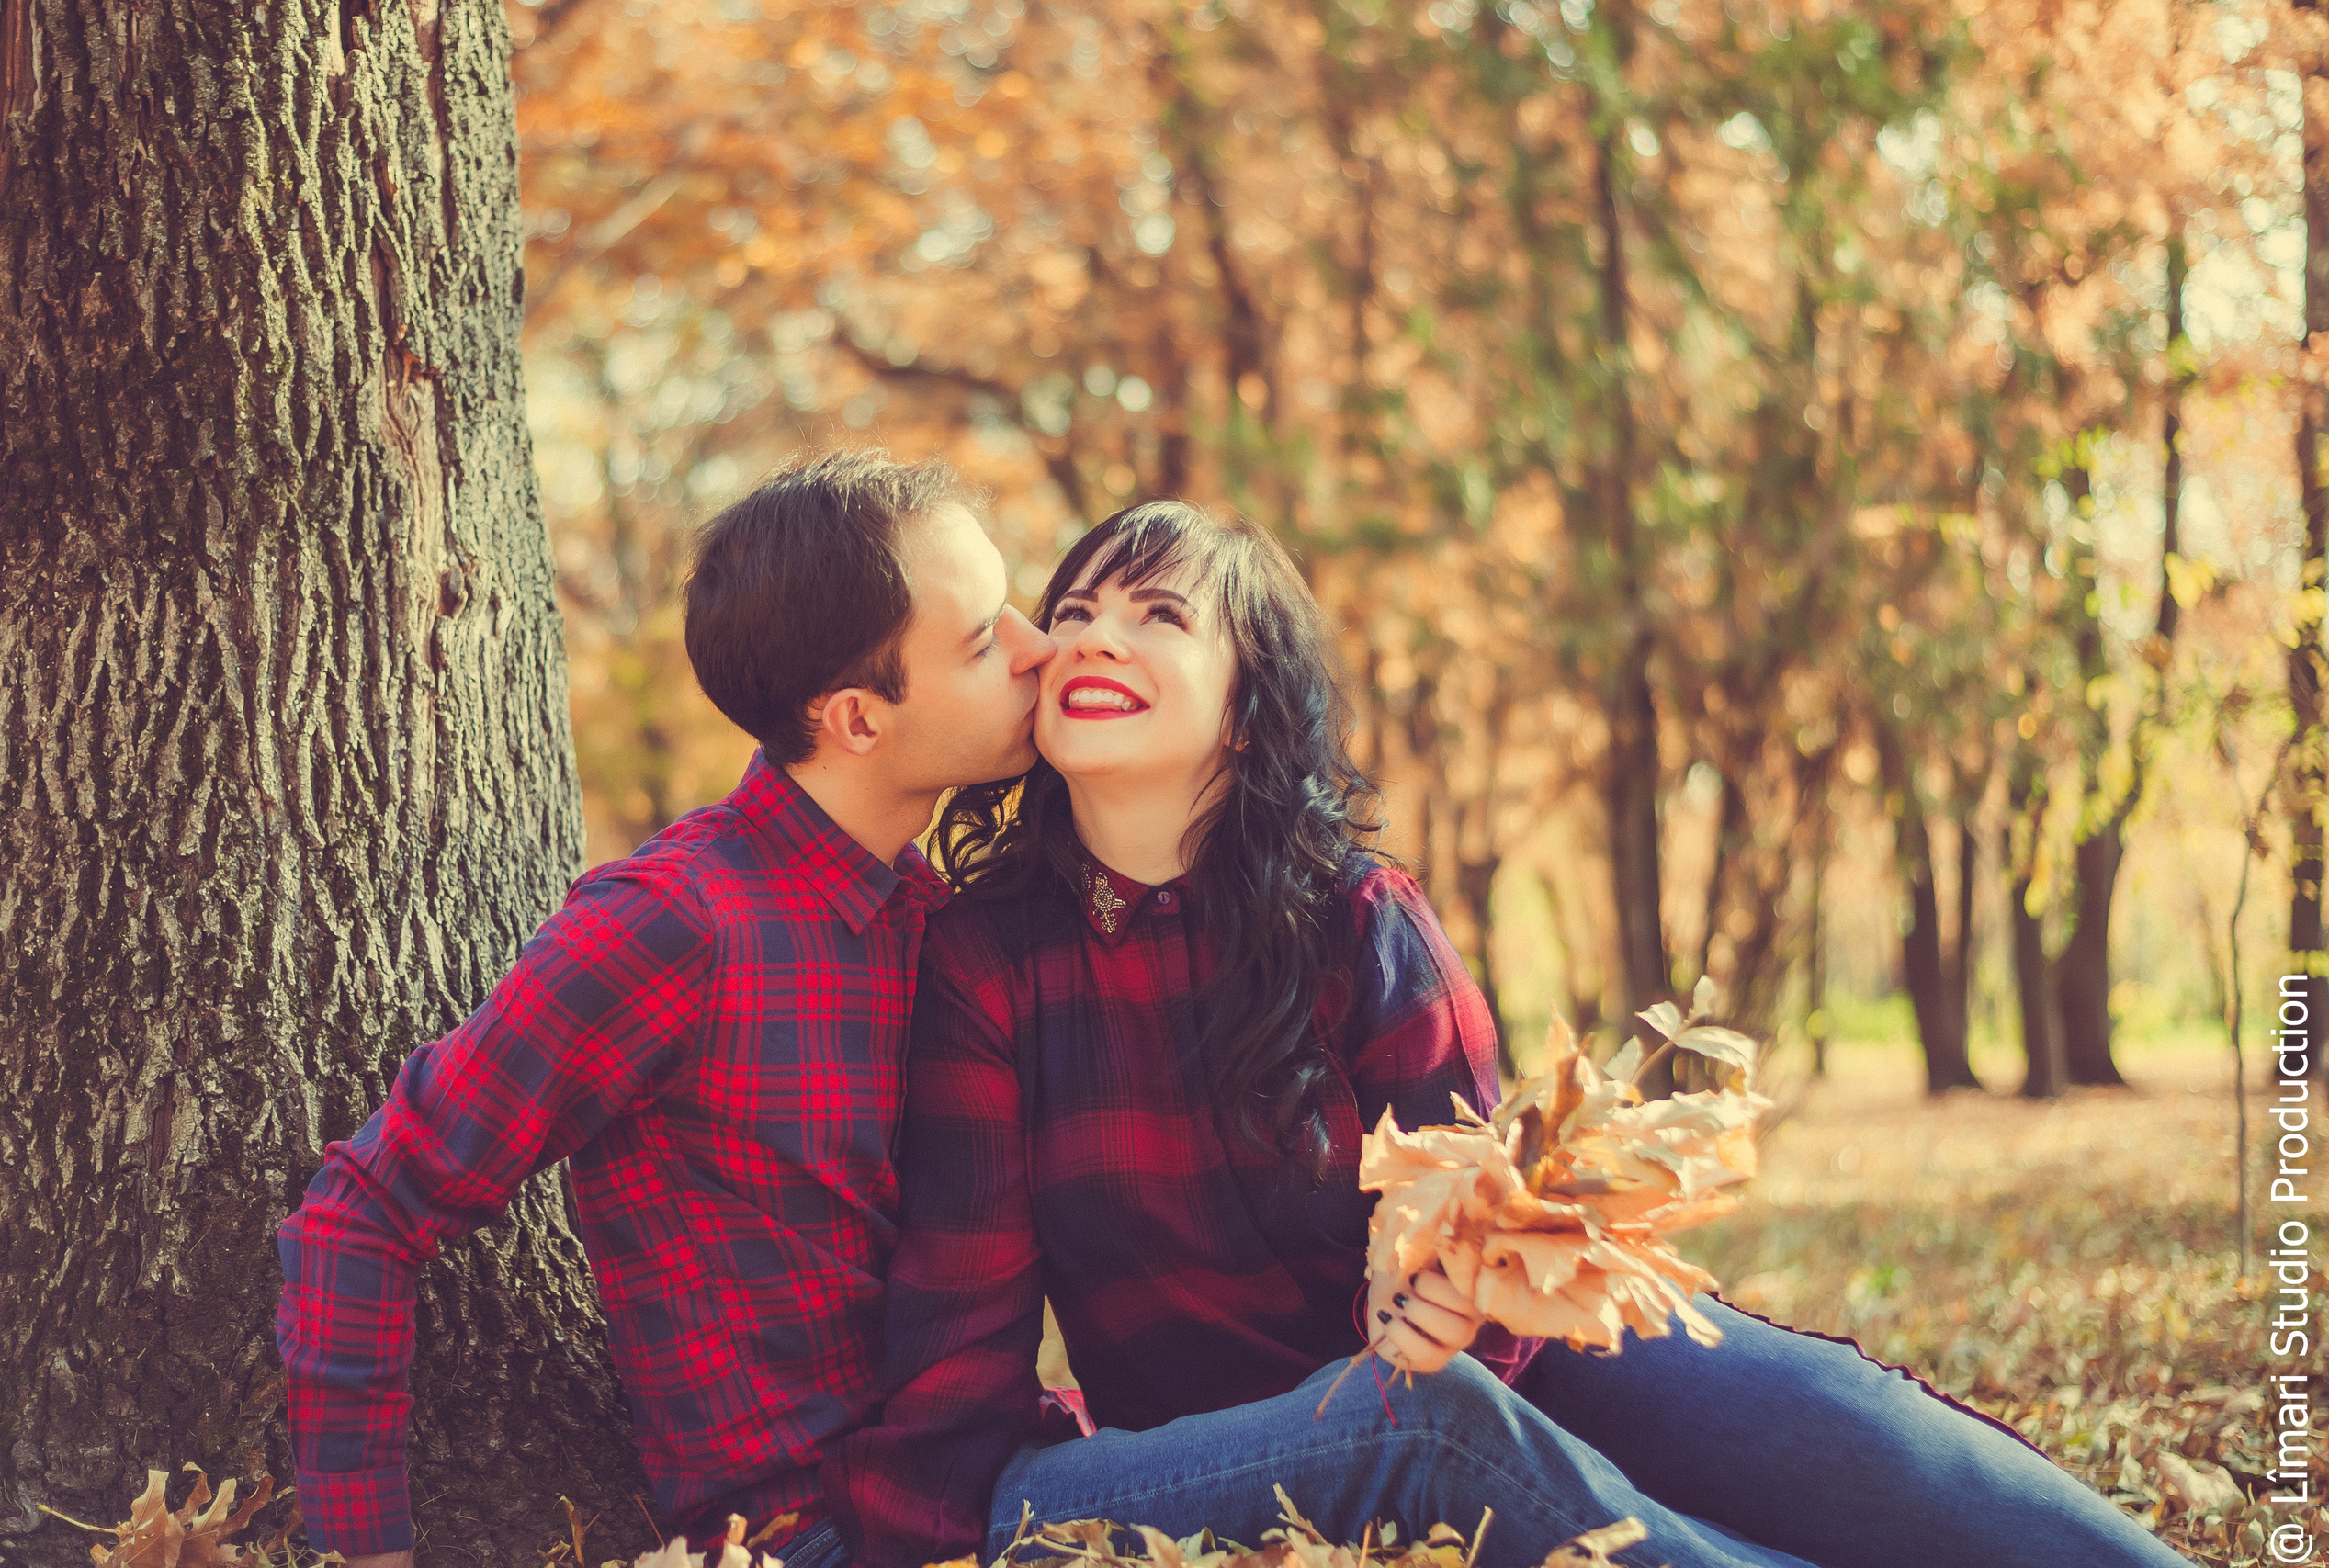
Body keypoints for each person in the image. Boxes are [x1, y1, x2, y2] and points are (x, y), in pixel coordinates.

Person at [824, 500, 2191, 1568]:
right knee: (1433, 1426)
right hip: (1278, 1436)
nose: (1092, 637)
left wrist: (1450, 1293)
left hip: (1505, 1358)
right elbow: (964, 1314)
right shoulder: (988, 957)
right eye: (1071, 610)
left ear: (1247, 704)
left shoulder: (1359, 919)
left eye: (1158, 612)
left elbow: (1490, 1230)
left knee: (1850, 1428)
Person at [276, 451, 1057, 1568]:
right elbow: (362, 1213)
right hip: (818, 1531)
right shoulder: (675, 924)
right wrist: (369, 1556)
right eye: (984, 641)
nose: (1038, 647)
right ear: (856, 719)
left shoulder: (933, 918)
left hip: (987, 1478)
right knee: (1400, 1433)